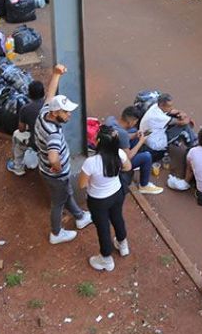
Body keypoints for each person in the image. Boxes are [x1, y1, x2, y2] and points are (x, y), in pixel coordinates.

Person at [34, 67, 93, 245]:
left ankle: (80, 216)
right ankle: (56, 233)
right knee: (58, 203)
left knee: (65, 194)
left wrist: (56, 74)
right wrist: (58, 168)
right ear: (55, 113)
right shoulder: (53, 134)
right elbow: (53, 158)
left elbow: (50, 94)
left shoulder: (44, 113)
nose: (69, 115)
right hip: (55, 175)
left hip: (48, 171)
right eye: (65, 112)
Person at [79, 128, 132, 271]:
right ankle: (123, 245)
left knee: (103, 228)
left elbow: (82, 184)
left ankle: (106, 259)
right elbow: (128, 167)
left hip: (98, 200)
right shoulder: (119, 154)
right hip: (117, 193)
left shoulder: (91, 162)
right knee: (117, 218)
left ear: (98, 142)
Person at [104, 106, 163, 195]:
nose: (135, 123)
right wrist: (141, 142)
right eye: (135, 122)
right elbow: (128, 157)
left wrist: (135, 135)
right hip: (115, 163)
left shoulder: (110, 120)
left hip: (107, 151)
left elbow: (122, 136)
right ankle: (144, 185)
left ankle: (138, 162)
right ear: (130, 122)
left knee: (134, 132)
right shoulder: (122, 134)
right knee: (146, 156)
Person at [8, 73, 58, 176]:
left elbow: (21, 129)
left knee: (17, 135)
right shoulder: (49, 106)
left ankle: (18, 167)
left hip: (36, 143)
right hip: (52, 141)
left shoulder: (25, 109)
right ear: (43, 93)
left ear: (29, 94)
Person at [138, 93, 193, 159]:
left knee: (175, 116)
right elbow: (182, 123)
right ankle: (193, 147)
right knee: (185, 127)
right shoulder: (159, 117)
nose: (171, 108)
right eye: (169, 106)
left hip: (147, 135)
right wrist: (188, 118)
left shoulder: (155, 106)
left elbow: (173, 111)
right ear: (161, 105)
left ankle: (179, 139)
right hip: (156, 142)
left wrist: (180, 113)